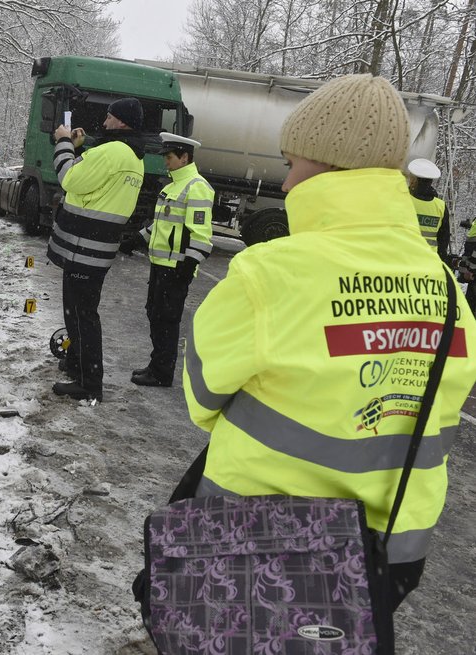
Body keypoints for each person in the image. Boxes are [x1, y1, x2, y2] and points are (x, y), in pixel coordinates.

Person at [182, 74, 476, 610]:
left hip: (259, 536)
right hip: (391, 548)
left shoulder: (267, 273)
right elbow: (443, 419)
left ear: (326, 163)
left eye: (291, 163)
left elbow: (203, 399)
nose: (288, 184)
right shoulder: (446, 288)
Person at [47, 97, 146, 402]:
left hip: (83, 247)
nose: (104, 122)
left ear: (122, 122)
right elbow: (93, 185)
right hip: (95, 248)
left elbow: (70, 178)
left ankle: (89, 382)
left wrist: (63, 143)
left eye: (109, 117)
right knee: (77, 311)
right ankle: (77, 364)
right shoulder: (132, 156)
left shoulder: (113, 151)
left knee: (82, 315)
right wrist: (78, 149)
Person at [131, 133, 214, 387]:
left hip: (176, 267)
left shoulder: (196, 186)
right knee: (155, 315)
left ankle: (162, 373)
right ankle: (157, 365)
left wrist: (189, 265)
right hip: (160, 264)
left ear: (184, 157)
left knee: (166, 319)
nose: (165, 162)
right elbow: (162, 225)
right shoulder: (171, 186)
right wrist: (137, 239)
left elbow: (201, 233)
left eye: (169, 157)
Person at [407, 157, 451, 263]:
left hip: (404, 259)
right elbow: (443, 240)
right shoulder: (440, 206)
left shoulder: (404, 200)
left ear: (414, 180)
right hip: (428, 262)